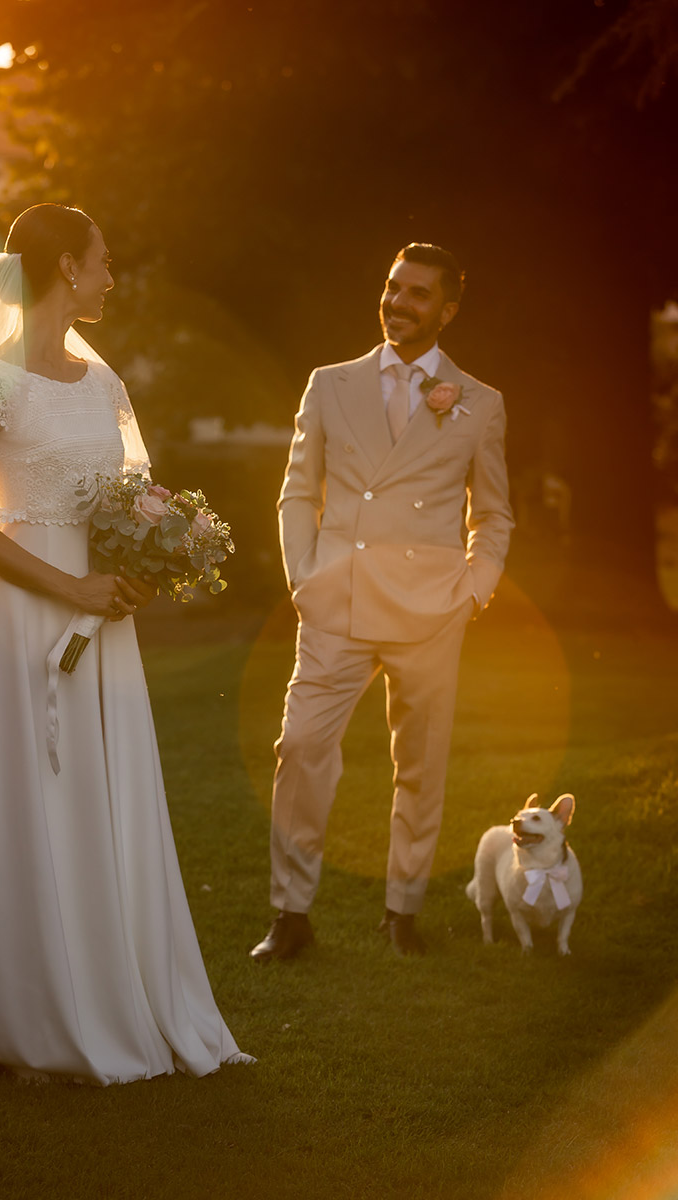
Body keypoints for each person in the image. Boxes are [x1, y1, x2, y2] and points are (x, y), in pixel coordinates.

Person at [0, 204, 252, 1082]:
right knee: (31, 798)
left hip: (103, 618)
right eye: (102, 262)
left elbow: (124, 500)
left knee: (106, 792)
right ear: (65, 267)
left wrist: (138, 567)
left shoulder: (104, 385)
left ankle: (123, 986)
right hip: (21, 616)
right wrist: (70, 587)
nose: (109, 276)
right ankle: (33, 1013)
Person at [250, 242, 514, 961]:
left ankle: (404, 910)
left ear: (447, 309)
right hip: (338, 598)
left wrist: (475, 588)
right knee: (301, 747)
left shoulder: (479, 403)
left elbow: (493, 515)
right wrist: (304, 576)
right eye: (393, 287)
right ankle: (291, 913)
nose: (399, 302)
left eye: (418, 293)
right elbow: (298, 490)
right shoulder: (329, 384)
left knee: (422, 762)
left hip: (432, 610)